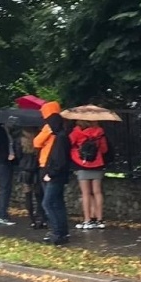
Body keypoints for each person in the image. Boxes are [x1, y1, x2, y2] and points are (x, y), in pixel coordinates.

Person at [34, 102, 73, 244]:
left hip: (52, 172)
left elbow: (58, 158)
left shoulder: (59, 135)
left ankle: (57, 233)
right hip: (52, 170)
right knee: (57, 203)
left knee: (48, 203)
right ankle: (62, 232)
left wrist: (50, 173)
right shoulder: (61, 133)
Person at [70, 118, 109, 228]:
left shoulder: (76, 132)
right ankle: (100, 220)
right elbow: (104, 149)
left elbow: (69, 144)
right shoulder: (99, 132)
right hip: (97, 163)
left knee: (85, 193)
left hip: (82, 163)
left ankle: (87, 220)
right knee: (97, 192)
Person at [0, 119, 19, 226]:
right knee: (5, 188)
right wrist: (6, 155)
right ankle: (1, 214)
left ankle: (1, 213)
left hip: (6, 162)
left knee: (6, 188)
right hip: (2, 162)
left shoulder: (7, 132)